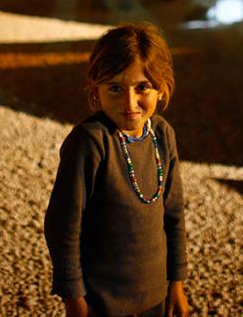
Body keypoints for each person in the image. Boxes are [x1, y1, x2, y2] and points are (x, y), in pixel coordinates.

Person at [45, 23, 190, 317]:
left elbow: (173, 214)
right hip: (102, 303)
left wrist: (176, 282)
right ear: (95, 89)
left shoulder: (162, 136)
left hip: (155, 298)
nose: (129, 103)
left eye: (142, 87)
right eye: (115, 88)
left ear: (161, 88)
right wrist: (74, 297)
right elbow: (64, 225)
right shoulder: (90, 142)